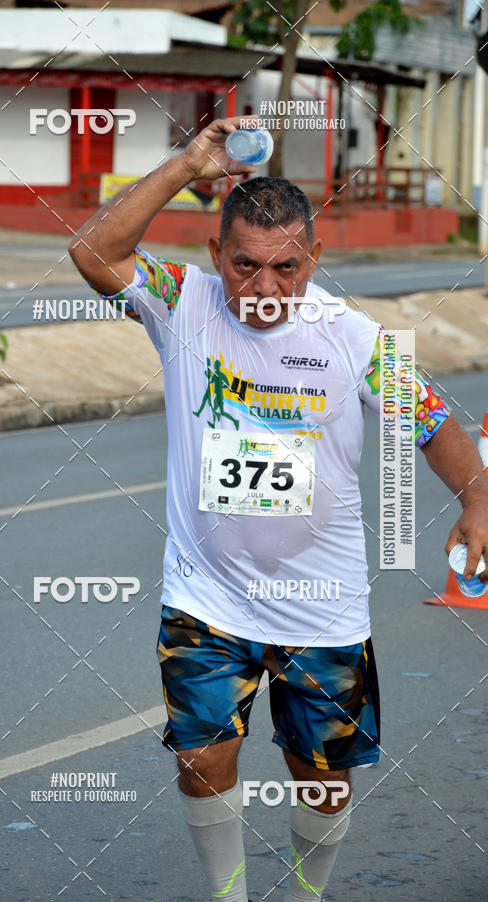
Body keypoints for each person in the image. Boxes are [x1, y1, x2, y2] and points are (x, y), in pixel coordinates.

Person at [69, 117, 488, 902]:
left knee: (321, 778)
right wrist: (187, 164)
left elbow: (432, 421)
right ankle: (228, 895)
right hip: (206, 597)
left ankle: (306, 894)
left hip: (322, 604)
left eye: (286, 268)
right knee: (201, 759)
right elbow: (92, 252)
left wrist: (478, 498)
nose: (264, 289)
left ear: (313, 260)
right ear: (215, 255)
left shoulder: (353, 339)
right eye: (245, 266)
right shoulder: (182, 303)